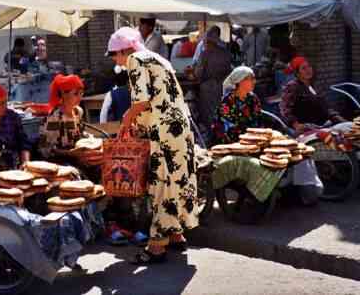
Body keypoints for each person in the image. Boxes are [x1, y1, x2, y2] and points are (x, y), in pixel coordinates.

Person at [109, 27, 197, 264]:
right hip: (180, 127)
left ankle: (157, 246)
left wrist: (127, 119)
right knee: (179, 179)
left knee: (161, 184)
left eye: (114, 55)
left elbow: (142, 100)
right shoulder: (158, 58)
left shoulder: (135, 59)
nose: (116, 61)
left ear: (124, 51)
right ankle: (176, 235)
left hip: (164, 132)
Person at [280, 57, 345, 134]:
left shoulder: (313, 86)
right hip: (307, 129)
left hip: (323, 126)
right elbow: (285, 108)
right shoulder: (293, 87)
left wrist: (340, 119)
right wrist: (296, 125)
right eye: (304, 68)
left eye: (309, 66)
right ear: (297, 73)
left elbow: (326, 108)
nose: (308, 70)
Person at [194, 26, 232, 137]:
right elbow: (228, 70)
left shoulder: (205, 54)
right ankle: (220, 134)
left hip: (207, 88)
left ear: (208, 41)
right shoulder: (225, 53)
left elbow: (198, 73)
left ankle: (211, 136)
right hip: (222, 87)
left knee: (208, 114)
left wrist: (194, 75)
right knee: (220, 112)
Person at [211, 67, 264, 144]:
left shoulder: (253, 98)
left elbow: (259, 120)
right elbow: (223, 129)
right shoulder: (228, 101)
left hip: (253, 141)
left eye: (254, 79)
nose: (254, 82)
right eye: (251, 79)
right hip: (233, 143)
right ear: (240, 81)